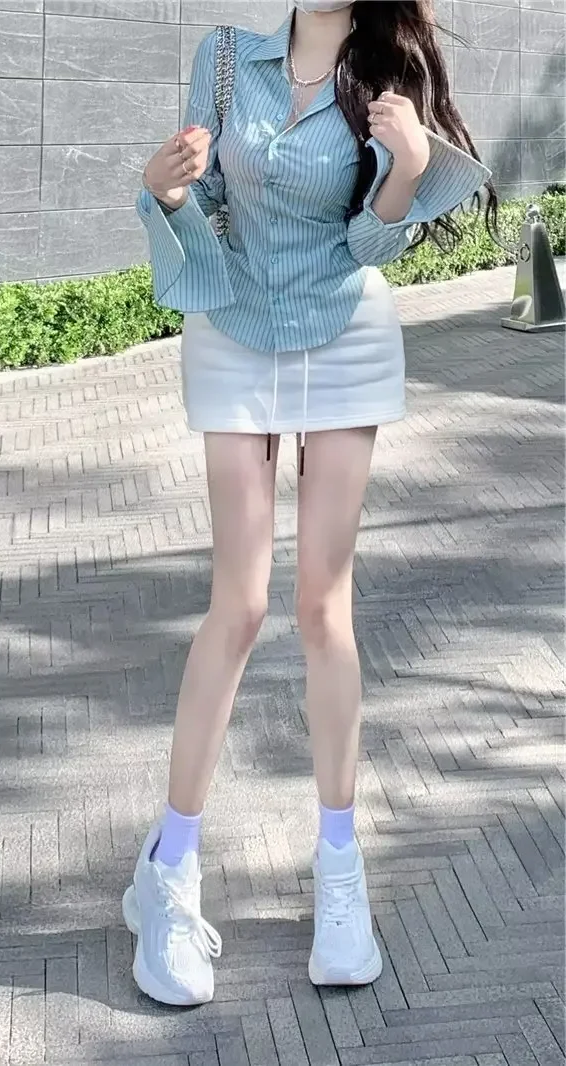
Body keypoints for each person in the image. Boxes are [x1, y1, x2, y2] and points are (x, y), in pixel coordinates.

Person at [122, 0, 496, 1006]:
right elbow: (203, 203)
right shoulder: (225, 60)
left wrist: (407, 172)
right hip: (235, 331)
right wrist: (161, 191)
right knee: (239, 606)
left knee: (323, 609)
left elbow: (370, 249)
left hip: (344, 338)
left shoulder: (385, 70)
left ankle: (339, 873)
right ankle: (168, 871)